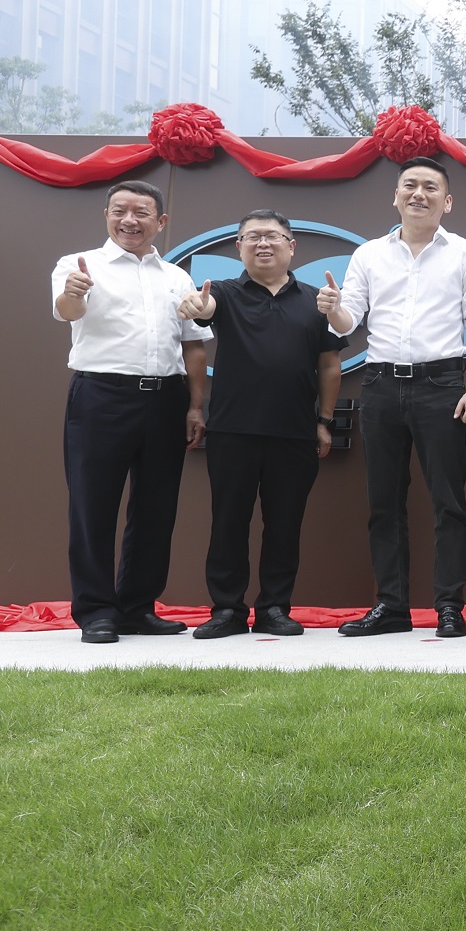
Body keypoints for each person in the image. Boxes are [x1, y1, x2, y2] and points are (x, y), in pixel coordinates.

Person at [320, 156, 466, 639]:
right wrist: (333, 310)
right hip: (380, 386)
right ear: (395, 196)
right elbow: (349, 320)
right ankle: (391, 606)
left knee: (449, 502)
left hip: (442, 386)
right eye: (410, 185)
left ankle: (449, 607)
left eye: (430, 187)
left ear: (447, 201)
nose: (419, 194)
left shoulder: (465, 253)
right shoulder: (369, 255)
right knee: (384, 502)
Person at [50, 180, 211, 644]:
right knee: (93, 505)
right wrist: (74, 291)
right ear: (106, 215)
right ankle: (97, 611)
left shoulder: (176, 277)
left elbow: (194, 346)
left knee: (156, 508)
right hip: (101, 396)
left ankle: (138, 606)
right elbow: (67, 310)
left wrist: (195, 405)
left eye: (141, 212)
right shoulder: (78, 265)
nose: (129, 220)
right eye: (119, 210)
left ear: (160, 221)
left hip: (166, 398)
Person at [177, 210, 343, 640]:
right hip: (233, 430)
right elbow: (204, 308)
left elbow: (329, 365)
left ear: (292, 246)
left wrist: (324, 420)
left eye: (272, 236)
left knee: (284, 525)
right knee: (227, 523)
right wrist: (197, 305)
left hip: (295, 431)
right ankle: (227, 610)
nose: (263, 243)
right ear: (239, 247)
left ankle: (274, 608)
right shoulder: (224, 292)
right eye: (252, 237)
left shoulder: (315, 300)